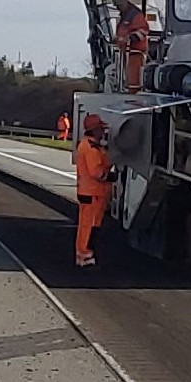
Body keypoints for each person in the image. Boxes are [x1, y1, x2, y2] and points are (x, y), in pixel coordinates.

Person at [74, 114, 113, 267]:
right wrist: (111, 176)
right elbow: (95, 172)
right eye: (101, 128)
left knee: (90, 225)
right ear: (94, 129)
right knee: (88, 226)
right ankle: (84, 255)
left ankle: (86, 254)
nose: (103, 131)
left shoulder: (92, 145)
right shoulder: (90, 147)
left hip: (92, 192)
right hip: (91, 192)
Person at [112, 0, 149, 92]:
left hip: (135, 54)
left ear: (124, 3)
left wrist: (129, 39)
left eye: (118, 5)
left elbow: (143, 30)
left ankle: (134, 100)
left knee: (134, 79)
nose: (118, 8)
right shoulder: (123, 16)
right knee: (124, 78)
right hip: (125, 54)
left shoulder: (136, 15)